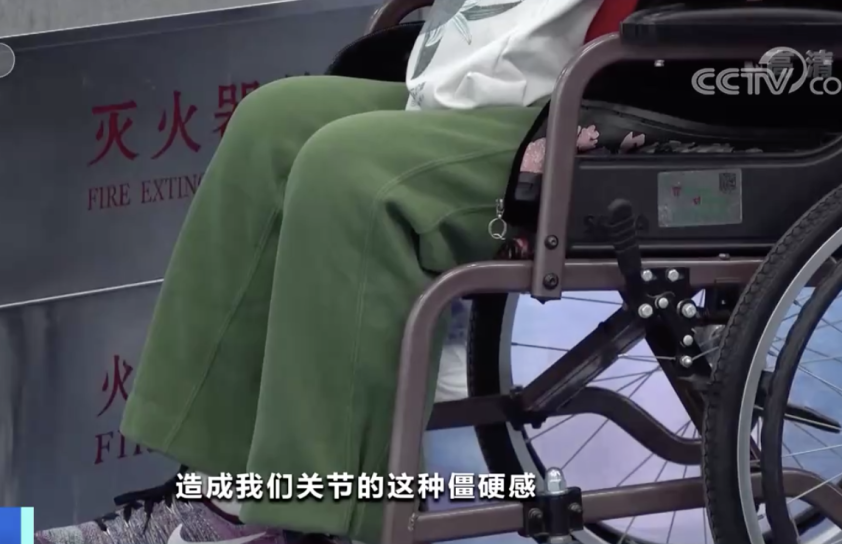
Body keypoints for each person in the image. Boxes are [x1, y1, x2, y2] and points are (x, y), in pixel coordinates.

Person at [35, 0, 609, 542]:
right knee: (274, 123)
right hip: (514, 83)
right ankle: (217, 496)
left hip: (599, 106)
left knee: (349, 170)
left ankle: (306, 520)